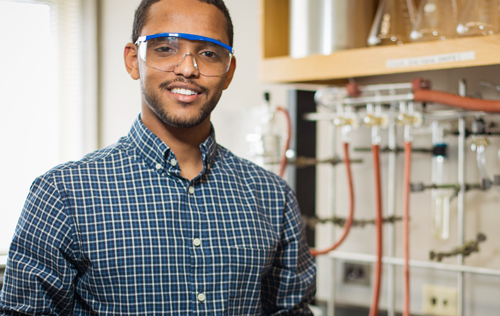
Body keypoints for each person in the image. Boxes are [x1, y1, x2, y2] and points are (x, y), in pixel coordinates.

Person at [0, 0, 316, 314]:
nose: (188, 69)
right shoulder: (62, 193)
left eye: (208, 54)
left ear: (228, 71)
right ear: (133, 60)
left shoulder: (273, 196)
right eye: (165, 48)